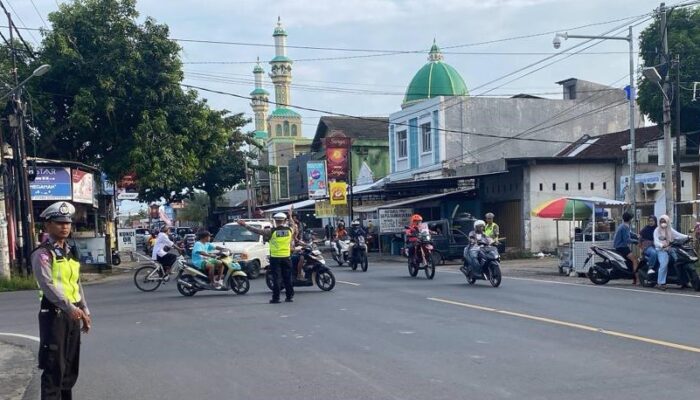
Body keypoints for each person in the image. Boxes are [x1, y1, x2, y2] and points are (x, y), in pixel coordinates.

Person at [32, 201, 92, 399]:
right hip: (54, 314)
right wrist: (68, 307)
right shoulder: (43, 254)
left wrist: (85, 310)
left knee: (69, 368)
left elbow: (76, 283)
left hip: (72, 313)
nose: (65, 226)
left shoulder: (69, 251)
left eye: (67, 223)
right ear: (48, 225)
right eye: (59, 222)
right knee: (54, 367)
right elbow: (47, 285)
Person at [238, 212, 294, 303]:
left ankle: (276, 298)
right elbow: (293, 224)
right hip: (286, 257)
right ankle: (289, 296)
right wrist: (290, 216)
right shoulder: (290, 230)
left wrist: (245, 225)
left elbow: (257, 231)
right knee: (287, 278)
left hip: (275, 257)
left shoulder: (271, 231)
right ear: (284, 220)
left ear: (275, 221)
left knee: (276, 278)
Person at [654, 214, 689, 291]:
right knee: (664, 264)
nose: (663, 223)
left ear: (668, 221)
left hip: (671, 248)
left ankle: (684, 281)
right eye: (661, 221)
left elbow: (678, 235)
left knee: (681, 260)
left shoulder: (670, 229)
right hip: (661, 250)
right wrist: (661, 245)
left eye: (664, 221)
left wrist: (687, 237)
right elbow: (656, 241)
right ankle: (660, 283)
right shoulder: (657, 230)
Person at [613, 212, 638, 284]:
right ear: (630, 219)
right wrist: (636, 242)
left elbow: (630, 233)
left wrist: (637, 235)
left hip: (620, 246)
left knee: (631, 261)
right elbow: (627, 240)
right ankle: (636, 279)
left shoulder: (623, 225)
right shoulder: (625, 227)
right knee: (635, 260)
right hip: (621, 247)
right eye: (632, 219)